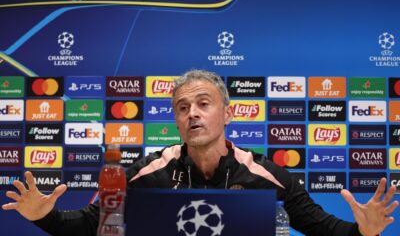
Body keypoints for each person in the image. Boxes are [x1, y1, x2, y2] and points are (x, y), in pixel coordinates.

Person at [2, 70, 398, 236]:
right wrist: (46, 217)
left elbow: (325, 229)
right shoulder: (146, 171)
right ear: (175, 120)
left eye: (204, 103)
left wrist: (363, 231)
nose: (193, 113)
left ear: (227, 114)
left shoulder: (266, 173)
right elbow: (93, 225)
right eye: (182, 107)